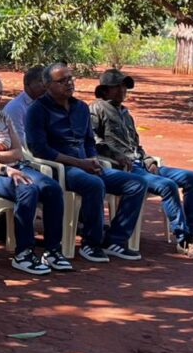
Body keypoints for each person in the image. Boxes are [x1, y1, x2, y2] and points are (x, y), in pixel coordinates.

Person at [25, 62, 148, 263]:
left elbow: (90, 142)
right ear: (47, 85)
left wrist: (92, 159)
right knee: (94, 184)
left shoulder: (81, 108)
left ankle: (114, 240)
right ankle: (91, 243)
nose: (68, 83)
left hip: (86, 165)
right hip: (61, 169)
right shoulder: (37, 110)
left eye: (70, 78)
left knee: (137, 183)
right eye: (61, 81)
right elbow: (39, 149)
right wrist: (80, 163)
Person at [0, 74, 73, 275]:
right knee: (27, 189)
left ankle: (52, 250)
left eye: (1, 92)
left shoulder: (3, 117)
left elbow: (18, 152)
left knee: (52, 188)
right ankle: (24, 253)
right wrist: (4, 168)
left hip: (15, 167)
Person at [90, 68, 193, 259]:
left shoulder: (125, 114)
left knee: (191, 177)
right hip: (124, 168)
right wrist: (116, 155)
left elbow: (136, 145)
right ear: (105, 90)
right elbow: (93, 140)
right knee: (167, 185)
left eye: (124, 87)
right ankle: (184, 239)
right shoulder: (97, 108)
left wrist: (147, 158)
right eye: (117, 87)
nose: (123, 90)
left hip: (141, 164)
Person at [3, 65, 46, 144]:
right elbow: (20, 141)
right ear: (27, 83)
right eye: (41, 81)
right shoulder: (15, 108)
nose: (45, 85)